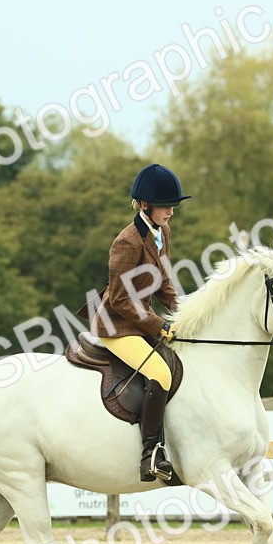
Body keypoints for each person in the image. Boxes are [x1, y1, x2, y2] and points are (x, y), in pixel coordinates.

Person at [90, 163, 189, 482]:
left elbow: (163, 282)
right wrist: (159, 325)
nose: (171, 211)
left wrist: (184, 313)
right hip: (117, 327)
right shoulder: (127, 242)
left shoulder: (162, 233)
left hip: (141, 320)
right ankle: (151, 454)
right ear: (145, 205)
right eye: (166, 205)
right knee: (159, 372)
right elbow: (120, 299)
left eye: (173, 205)